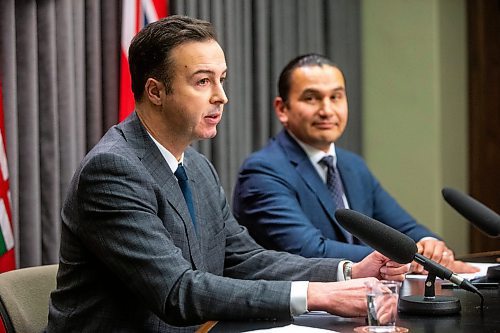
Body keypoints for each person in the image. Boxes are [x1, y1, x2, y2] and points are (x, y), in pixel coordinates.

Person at [46, 16, 409, 333]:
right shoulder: (112, 170)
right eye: (203, 81)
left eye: (222, 79)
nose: (221, 96)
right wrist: (318, 295)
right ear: (155, 90)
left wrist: (348, 272)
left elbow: (243, 260)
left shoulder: (197, 166)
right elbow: (177, 293)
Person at [232, 53, 478, 273]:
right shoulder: (263, 171)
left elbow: (404, 227)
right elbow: (309, 250)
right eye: (311, 98)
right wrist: (409, 258)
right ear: (282, 109)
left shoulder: (353, 166)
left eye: (336, 97)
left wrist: (431, 245)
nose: (327, 110)